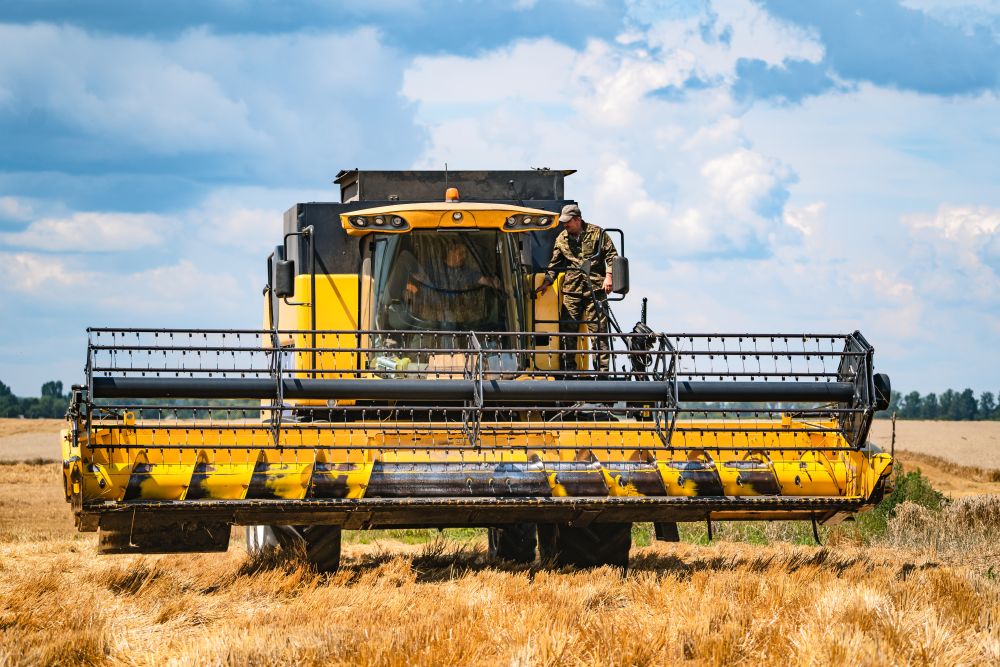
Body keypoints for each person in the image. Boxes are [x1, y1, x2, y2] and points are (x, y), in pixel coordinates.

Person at [535, 203, 618, 372]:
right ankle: (569, 371)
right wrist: (547, 281)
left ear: (578, 219)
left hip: (595, 290)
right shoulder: (562, 238)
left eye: (568, 222)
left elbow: (612, 256)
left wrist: (609, 276)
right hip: (571, 291)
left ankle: (602, 374)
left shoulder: (598, 234)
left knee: (600, 334)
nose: (565, 225)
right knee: (567, 333)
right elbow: (555, 262)